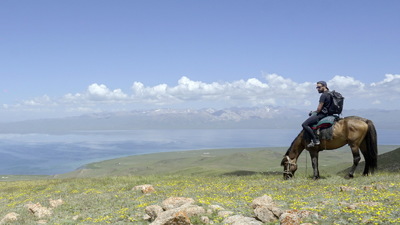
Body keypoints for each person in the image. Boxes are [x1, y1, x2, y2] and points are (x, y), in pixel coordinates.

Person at [302, 81, 332, 147]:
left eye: (319, 87)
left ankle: (315, 140)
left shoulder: (323, 95)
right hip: (329, 114)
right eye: (317, 87)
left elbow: (319, 109)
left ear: (324, 86)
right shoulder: (330, 94)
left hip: (322, 115)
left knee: (304, 124)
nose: (317, 89)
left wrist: (313, 112)